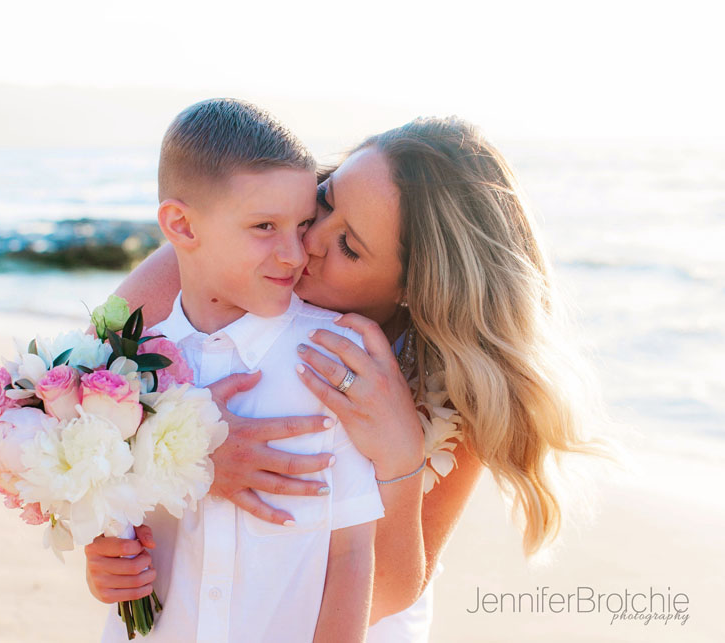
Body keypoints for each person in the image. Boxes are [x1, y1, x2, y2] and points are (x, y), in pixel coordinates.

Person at [87, 114, 608, 641]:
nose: (306, 244)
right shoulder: (223, 251)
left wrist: (400, 460)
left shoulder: (462, 383)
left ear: (414, 288)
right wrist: (186, 453)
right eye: (327, 202)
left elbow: (382, 595)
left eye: (349, 247)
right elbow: (70, 390)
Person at [98, 98, 385, 643]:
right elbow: (109, 514)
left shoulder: (333, 355)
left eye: (302, 224)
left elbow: (352, 552)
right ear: (181, 225)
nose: (294, 255)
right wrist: (106, 562)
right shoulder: (124, 369)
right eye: (263, 226)